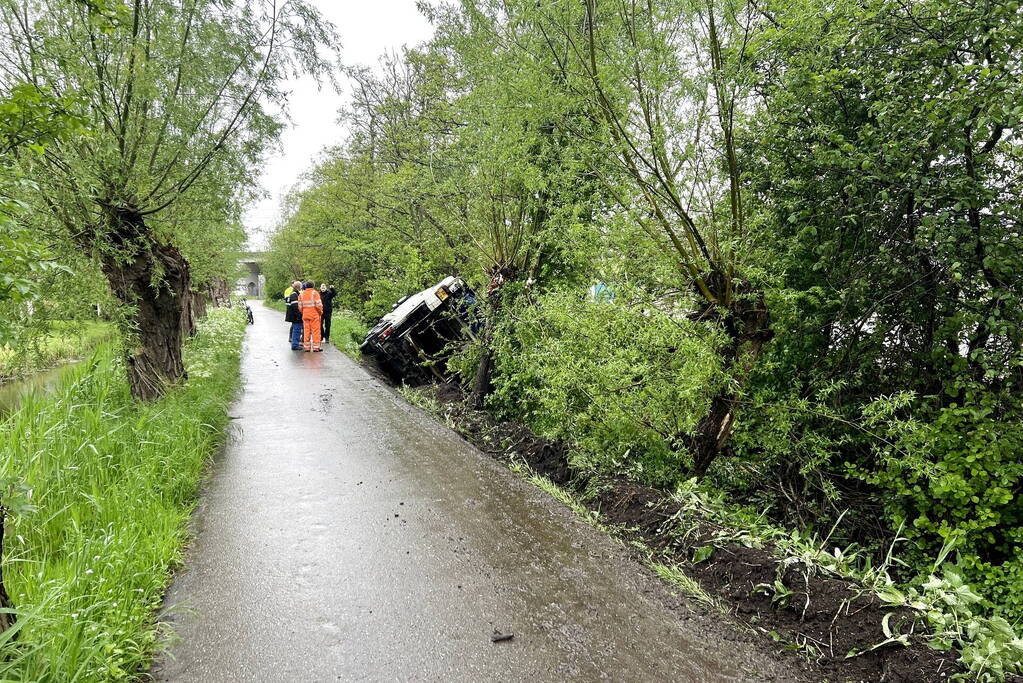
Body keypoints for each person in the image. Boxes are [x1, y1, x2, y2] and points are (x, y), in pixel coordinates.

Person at [298, 280, 324, 352]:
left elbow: (300, 306)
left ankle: (307, 347)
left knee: (306, 331)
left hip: (305, 315)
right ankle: (316, 347)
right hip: (314, 315)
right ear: (313, 286)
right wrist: (320, 312)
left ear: (306, 286)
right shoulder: (315, 293)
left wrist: (303, 312)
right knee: (315, 331)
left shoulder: (301, 294)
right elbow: (319, 305)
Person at [285, 280, 304, 350]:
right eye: (301, 287)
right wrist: (299, 316)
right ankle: (295, 345)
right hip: (295, 317)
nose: (301, 288)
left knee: (296, 329)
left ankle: (295, 343)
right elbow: (295, 307)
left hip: (294, 316)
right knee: (297, 330)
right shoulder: (294, 294)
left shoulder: (294, 293)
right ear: (298, 287)